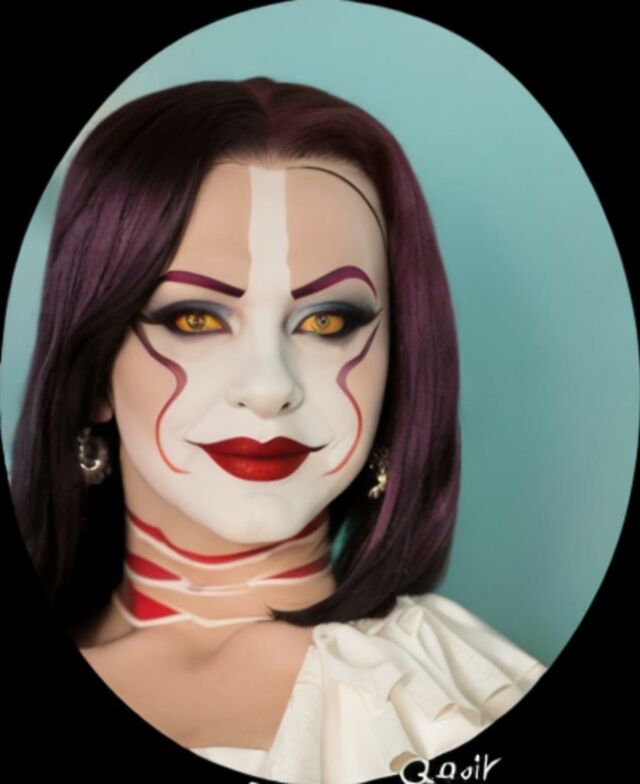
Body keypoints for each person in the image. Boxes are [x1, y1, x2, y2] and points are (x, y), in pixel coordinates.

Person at [9, 77, 546, 784]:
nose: (269, 387)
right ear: (90, 370)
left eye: (326, 322)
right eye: (195, 319)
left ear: (400, 365)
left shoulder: (450, 710)